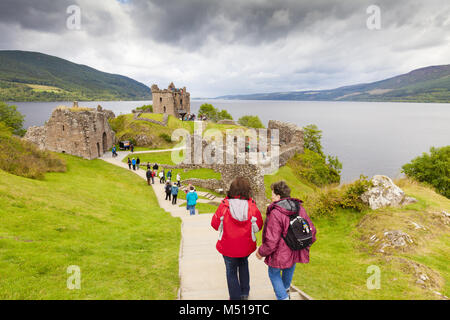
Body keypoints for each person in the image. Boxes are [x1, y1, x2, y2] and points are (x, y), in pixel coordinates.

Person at [255, 181, 316, 300]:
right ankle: (286, 290)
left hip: (279, 253)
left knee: (274, 273)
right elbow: (311, 229)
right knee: (289, 267)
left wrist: (261, 252)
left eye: (272, 193)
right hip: (295, 249)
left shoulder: (275, 212)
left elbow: (272, 241)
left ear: (278, 196)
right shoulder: (299, 207)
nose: (271, 196)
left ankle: (283, 297)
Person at [211, 177, 263, 300]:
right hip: (245, 246)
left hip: (228, 247)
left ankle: (234, 297)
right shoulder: (252, 207)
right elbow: (259, 226)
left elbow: (214, 224)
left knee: (231, 271)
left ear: (232, 190)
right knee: (244, 265)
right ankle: (245, 293)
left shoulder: (224, 206)